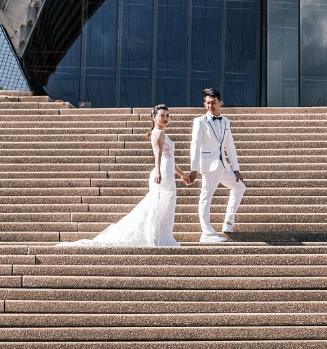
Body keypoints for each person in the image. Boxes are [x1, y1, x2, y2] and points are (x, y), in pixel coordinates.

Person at [58, 103, 191, 247]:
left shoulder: (160, 132)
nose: (165, 118)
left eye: (167, 115)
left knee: (164, 206)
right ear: (154, 117)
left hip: (167, 171)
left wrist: (182, 174)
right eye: (162, 115)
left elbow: (170, 158)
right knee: (160, 206)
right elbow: (158, 154)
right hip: (163, 173)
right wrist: (158, 171)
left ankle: (160, 236)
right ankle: (157, 237)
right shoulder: (159, 133)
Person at [188, 88, 246, 244]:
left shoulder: (226, 121)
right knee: (206, 196)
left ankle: (228, 222)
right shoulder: (199, 122)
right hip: (209, 165)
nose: (210, 106)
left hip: (224, 166)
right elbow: (195, 145)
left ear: (220, 103)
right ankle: (206, 232)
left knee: (240, 187)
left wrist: (236, 169)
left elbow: (230, 146)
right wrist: (194, 169)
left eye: (213, 103)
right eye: (207, 103)